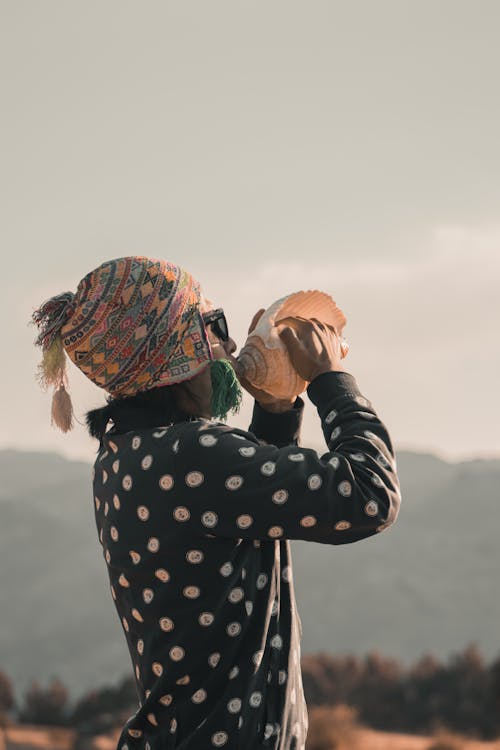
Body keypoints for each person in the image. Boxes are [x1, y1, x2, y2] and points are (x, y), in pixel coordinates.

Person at [31, 256, 401, 750]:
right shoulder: (196, 454)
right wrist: (331, 382)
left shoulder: (127, 457)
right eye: (214, 326)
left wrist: (275, 409)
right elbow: (369, 496)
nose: (228, 345)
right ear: (174, 350)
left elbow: (241, 508)